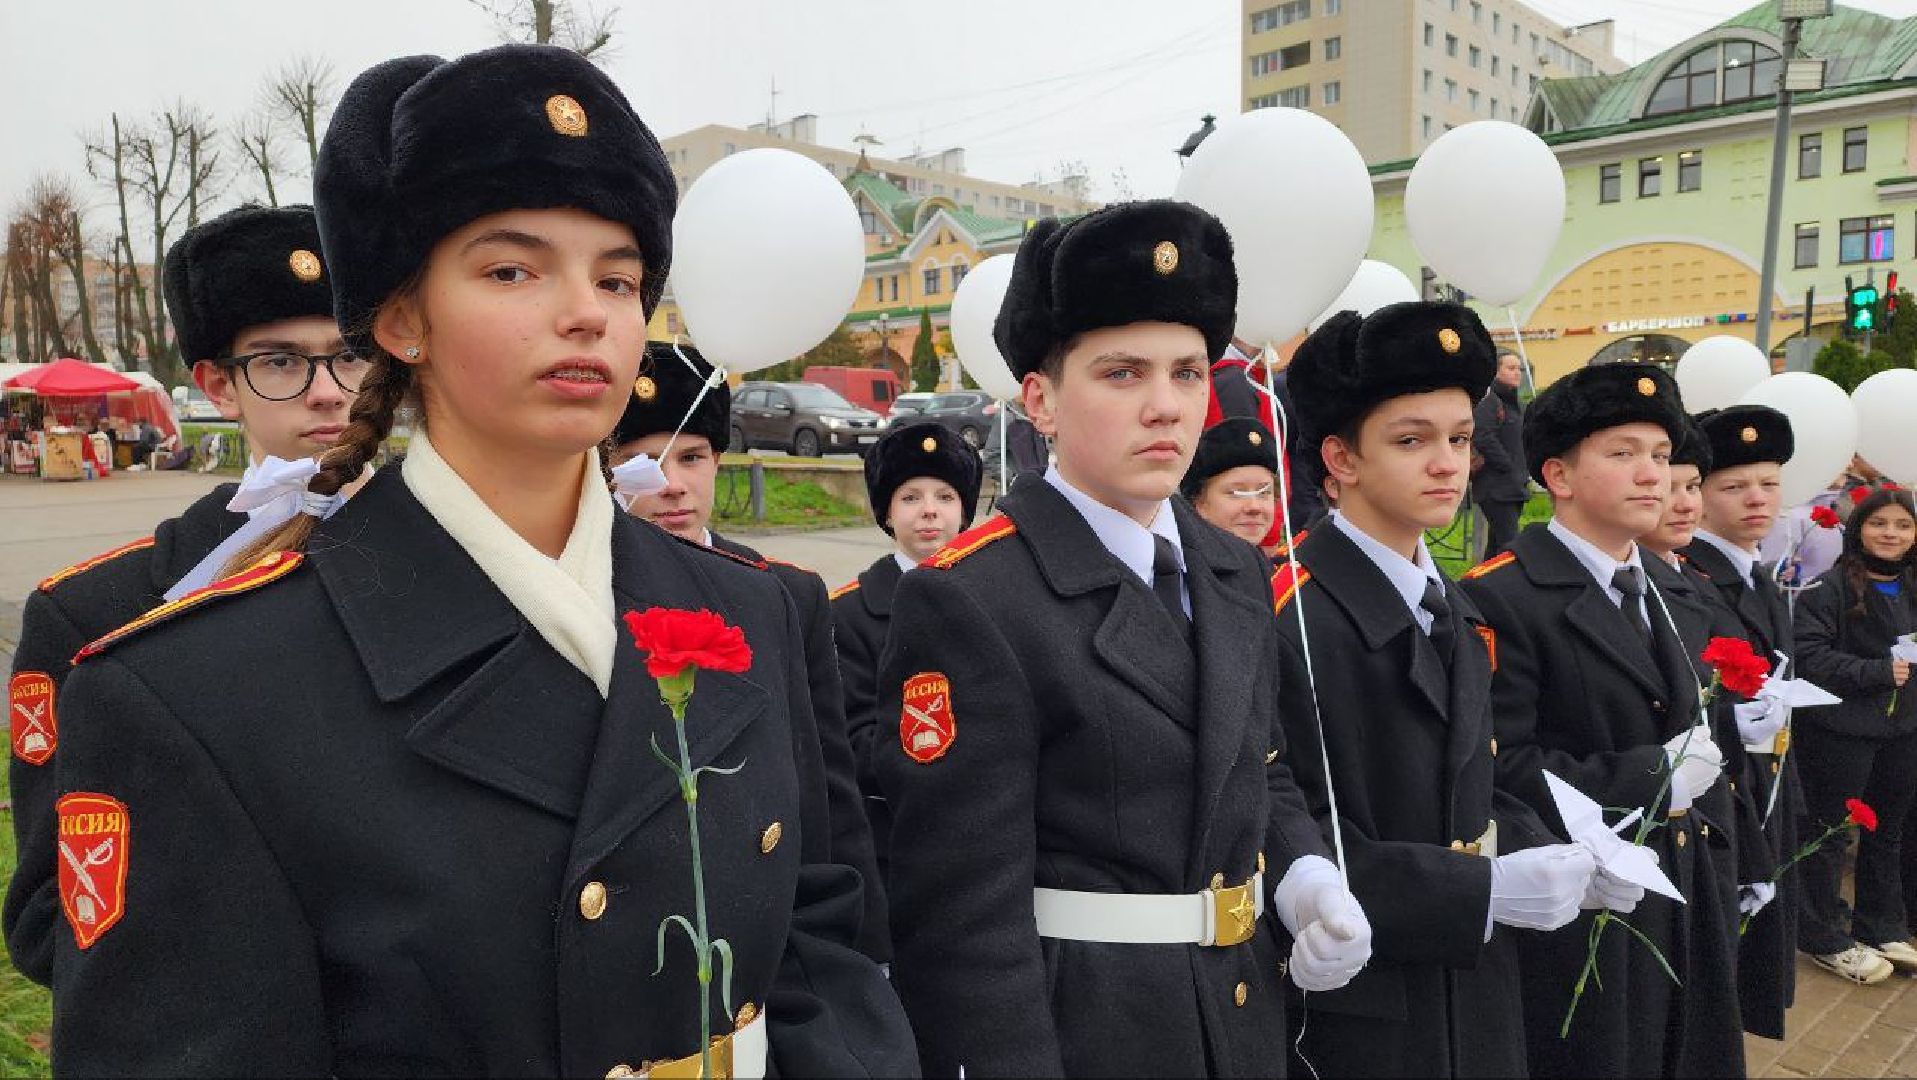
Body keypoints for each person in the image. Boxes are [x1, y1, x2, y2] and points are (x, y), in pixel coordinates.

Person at [47, 45, 913, 1075]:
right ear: (404, 319)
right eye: (514, 268)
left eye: (619, 276)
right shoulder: (201, 693)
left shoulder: (757, 612)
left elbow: (822, 945)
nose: (586, 309)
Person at [873, 199, 1371, 1076]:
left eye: (1186, 373)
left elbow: (1256, 766)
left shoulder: (1232, 567)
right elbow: (960, 917)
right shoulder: (974, 599)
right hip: (1091, 1029)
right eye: (1121, 373)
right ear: (1040, 400)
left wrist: (1302, 875)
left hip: (1242, 1015)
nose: (1164, 408)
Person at [4, 203, 349, 988]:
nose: (328, 392)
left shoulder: (467, 565)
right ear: (217, 387)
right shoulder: (95, 612)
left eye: (350, 355)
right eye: (281, 361)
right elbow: (53, 918)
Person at [1272, 301, 1608, 1077]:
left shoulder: (1448, 602)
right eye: (1410, 440)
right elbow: (1286, 819)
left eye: (1458, 438)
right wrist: (1477, 891)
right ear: (1341, 459)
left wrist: (1562, 852)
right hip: (1363, 991)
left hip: (1471, 981)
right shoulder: (1290, 614)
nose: (1448, 463)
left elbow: (1472, 786)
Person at [1459, 362, 1742, 1078]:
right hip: (1584, 910)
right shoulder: (1504, 598)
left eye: (1658, 455)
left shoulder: (1671, 590)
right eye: (1621, 454)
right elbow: (1501, 766)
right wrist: (1652, 778)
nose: (1650, 474)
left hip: (1678, 890)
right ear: (1557, 475)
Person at [609, 339, 890, 964]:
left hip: (763, 923)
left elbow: (827, 792)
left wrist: (864, 956)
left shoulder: (784, 593)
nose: (673, 486)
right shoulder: (583, 597)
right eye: (644, 462)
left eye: (693, 457)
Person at [1682, 405, 1820, 1018]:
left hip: (1768, 777)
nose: (1756, 500)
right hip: (1727, 786)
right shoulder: (1691, 577)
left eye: (1768, 484)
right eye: (1734, 487)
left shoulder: (1759, 574)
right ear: (1700, 493)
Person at [830, 422, 983, 882]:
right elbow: (848, 737)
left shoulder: (997, 598)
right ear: (886, 513)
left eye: (945, 497)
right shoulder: (848, 613)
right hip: (891, 843)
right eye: (910, 497)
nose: (929, 512)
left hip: (986, 837)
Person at [1793, 486, 1917, 978]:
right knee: (1829, 832)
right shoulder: (1829, 590)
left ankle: (1882, 923)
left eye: (1903, 525)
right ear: (1858, 528)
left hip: (1902, 729)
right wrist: (1875, 673)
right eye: (1879, 523)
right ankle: (1822, 933)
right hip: (1839, 731)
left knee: (1887, 829)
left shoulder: (1911, 586)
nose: (1890, 534)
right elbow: (1809, 656)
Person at [1180, 416, 1279, 548]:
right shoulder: (1179, 566)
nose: (1254, 507)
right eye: (1237, 493)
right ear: (1199, 501)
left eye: (1264, 492)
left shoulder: (1278, 566)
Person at [1472, 349, 1527, 557]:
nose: (1517, 373)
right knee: (1511, 544)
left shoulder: (1514, 405)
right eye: (1511, 368)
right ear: (1496, 372)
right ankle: (1509, 587)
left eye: (1519, 369)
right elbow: (1482, 435)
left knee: (1497, 547)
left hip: (1513, 486)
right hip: (1496, 487)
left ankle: (1480, 586)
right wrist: (1507, 465)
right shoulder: (1490, 401)